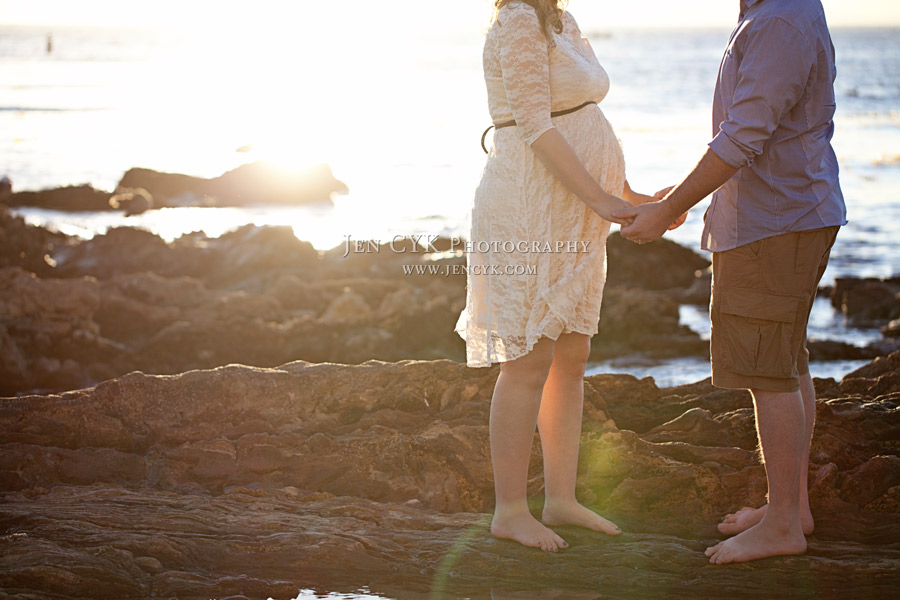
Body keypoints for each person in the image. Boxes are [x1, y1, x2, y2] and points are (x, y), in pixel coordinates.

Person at [613, 0, 847, 564]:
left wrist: (674, 203)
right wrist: (687, 195)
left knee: (769, 371)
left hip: (774, 224)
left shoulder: (779, 21)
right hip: (784, 215)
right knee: (787, 361)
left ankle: (785, 524)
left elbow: (744, 136)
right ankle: (789, 508)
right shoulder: (776, 14)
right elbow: (750, 134)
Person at [454, 0, 670, 552]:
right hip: (529, 207)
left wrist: (629, 197)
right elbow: (536, 125)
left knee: (571, 356)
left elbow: (584, 120)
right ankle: (509, 511)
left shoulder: (559, 19)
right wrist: (601, 199)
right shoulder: (518, 20)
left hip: (573, 211)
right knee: (528, 361)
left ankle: (562, 499)